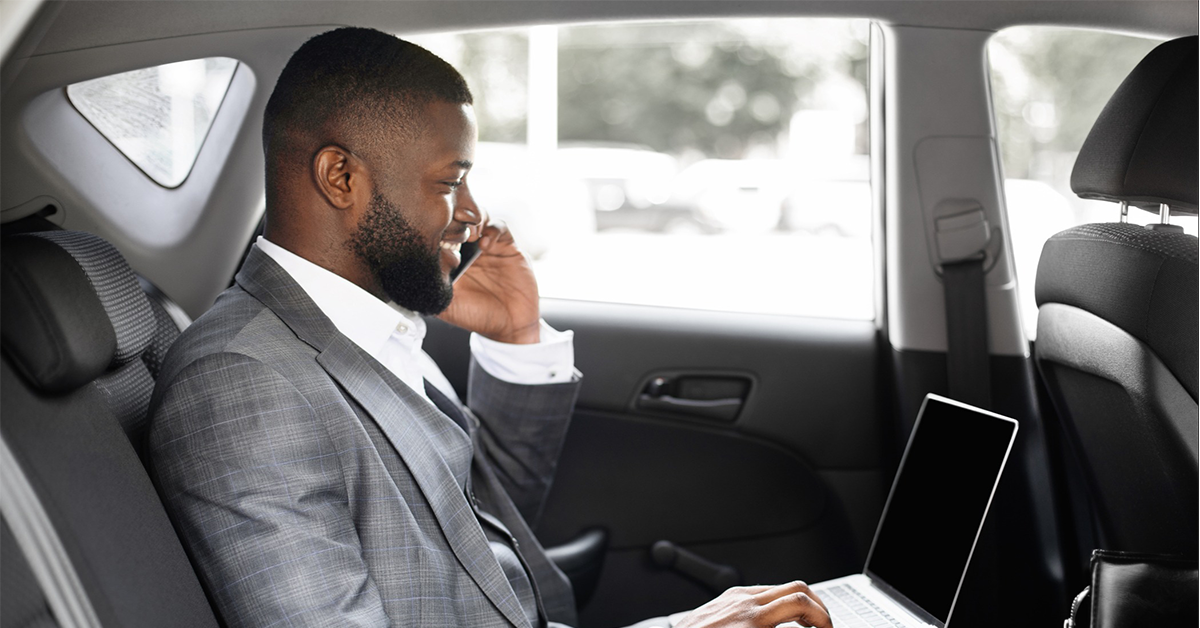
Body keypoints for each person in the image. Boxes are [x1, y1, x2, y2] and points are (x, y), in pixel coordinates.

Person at [148, 27, 833, 628]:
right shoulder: (242, 384)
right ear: (341, 177)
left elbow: (471, 525)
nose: (474, 215)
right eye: (450, 183)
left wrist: (516, 337)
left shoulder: (364, 320)